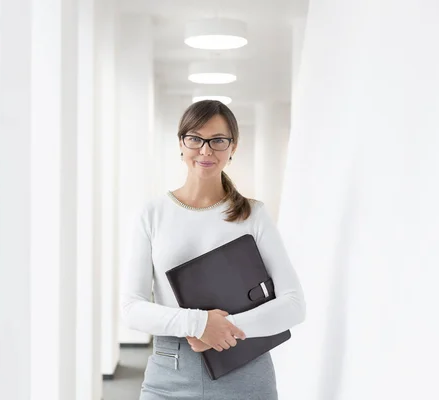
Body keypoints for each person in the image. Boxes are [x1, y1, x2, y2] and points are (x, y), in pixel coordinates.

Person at [120, 100, 306, 399]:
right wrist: (200, 323)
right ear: (181, 143)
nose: (206, 150)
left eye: (218, 140)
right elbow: (131, 308)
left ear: (233, 147)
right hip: (170, 373)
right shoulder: (152, 214)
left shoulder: (253, 215)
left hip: (246, 373)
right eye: (195, 138)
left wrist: (226, 327)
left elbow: (294, 304)